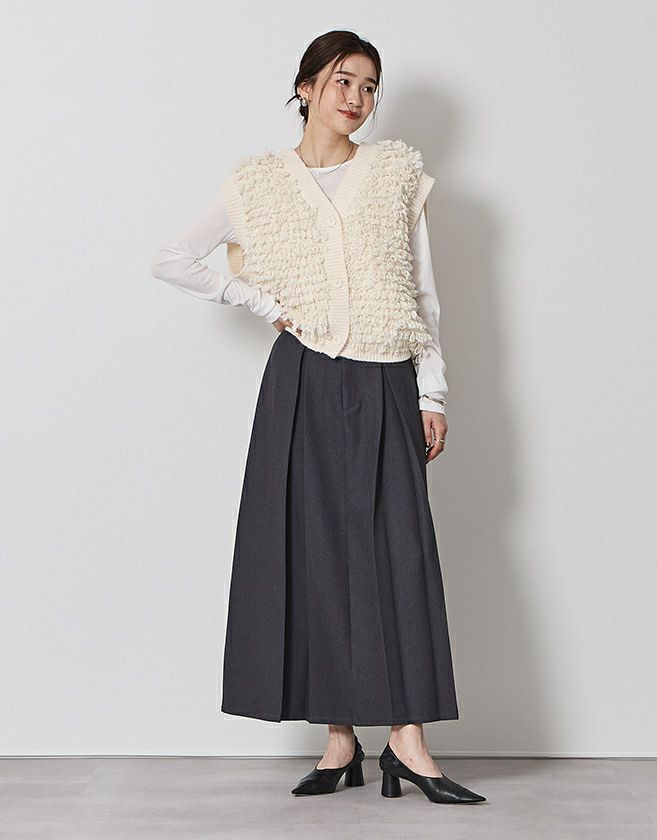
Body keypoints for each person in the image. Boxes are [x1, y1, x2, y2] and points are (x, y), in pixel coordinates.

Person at [151, 29, 486, 805]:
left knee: (398, 555)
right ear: (305, 87)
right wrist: (259, 300)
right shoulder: (258, 183)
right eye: (343, 80)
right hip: (302, 380)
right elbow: (173, 258)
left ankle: (408, 741)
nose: (357, 97)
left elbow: (423, 294)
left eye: (370, 85)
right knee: (314, 554)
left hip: (386, 375)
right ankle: (340, 743)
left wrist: (431, 393)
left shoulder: (395, 174)